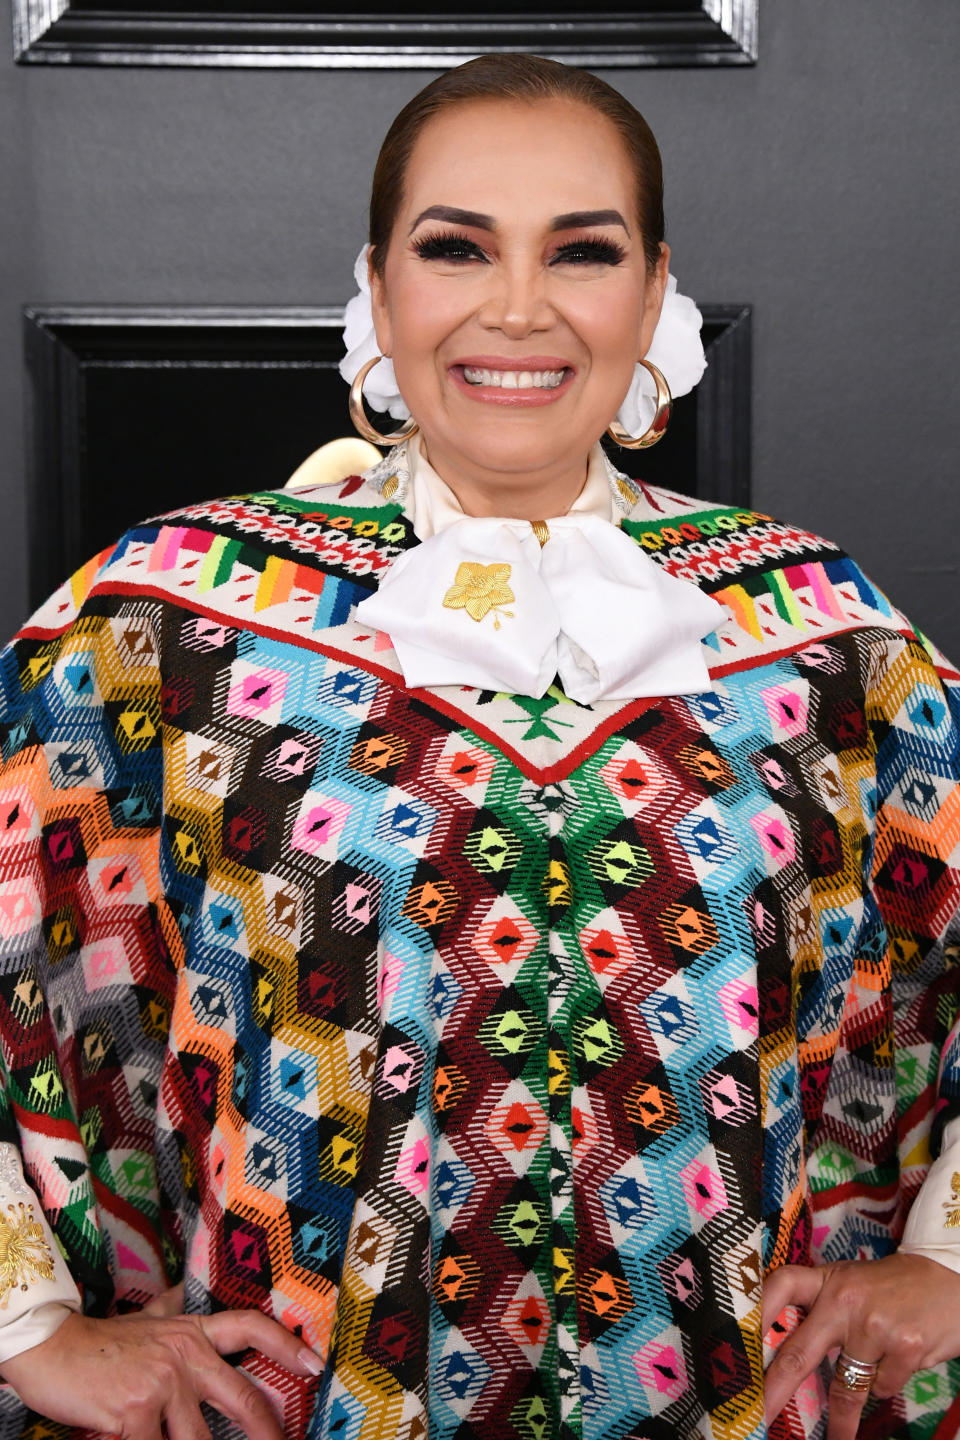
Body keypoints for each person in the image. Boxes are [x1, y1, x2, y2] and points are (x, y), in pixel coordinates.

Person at [0, 50, 958, 1440]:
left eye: (584, 251)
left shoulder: (820, 632)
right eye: (456, 249)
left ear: (653, 291)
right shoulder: (169, 619)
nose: (519, 306)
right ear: (381, 292)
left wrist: (946, 1258)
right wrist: (27, 1323)